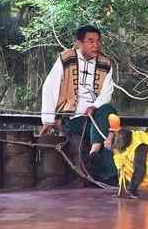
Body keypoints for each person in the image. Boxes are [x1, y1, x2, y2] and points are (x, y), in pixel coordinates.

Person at [39, 25, 118, 184]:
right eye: (90, 41)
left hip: (95, 115)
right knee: (108, 127)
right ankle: (110, 177)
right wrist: (48, 120)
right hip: (71, 118)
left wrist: (94, 106)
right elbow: (50, 87)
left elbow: (106, 93)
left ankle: (95, 152)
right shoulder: (66, 58)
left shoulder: (106, 63)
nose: (96, 45)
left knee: (107, 111)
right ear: (79, 43)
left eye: (98, 41)